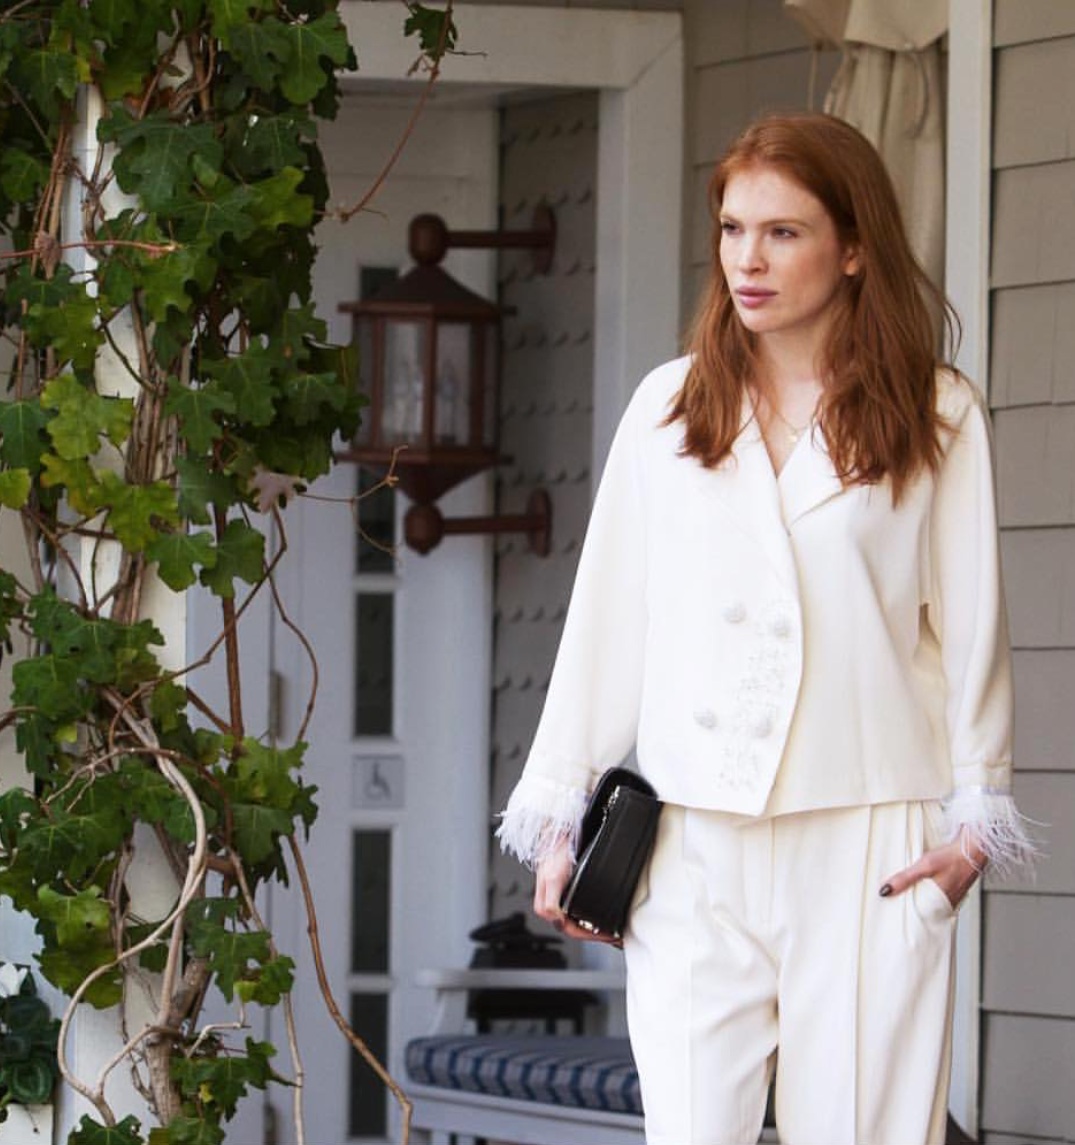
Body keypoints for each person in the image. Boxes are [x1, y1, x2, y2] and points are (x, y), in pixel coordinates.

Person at [497, 112, 1036, 1145]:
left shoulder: (939, 413)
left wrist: (971, 832)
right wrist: (561, 817)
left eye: (783, 232)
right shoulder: (667, 410)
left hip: (870, 836)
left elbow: (970, 627)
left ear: (853, 246)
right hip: (693, 842)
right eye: (734, 228)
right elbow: (607, 622)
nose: (749, 257)